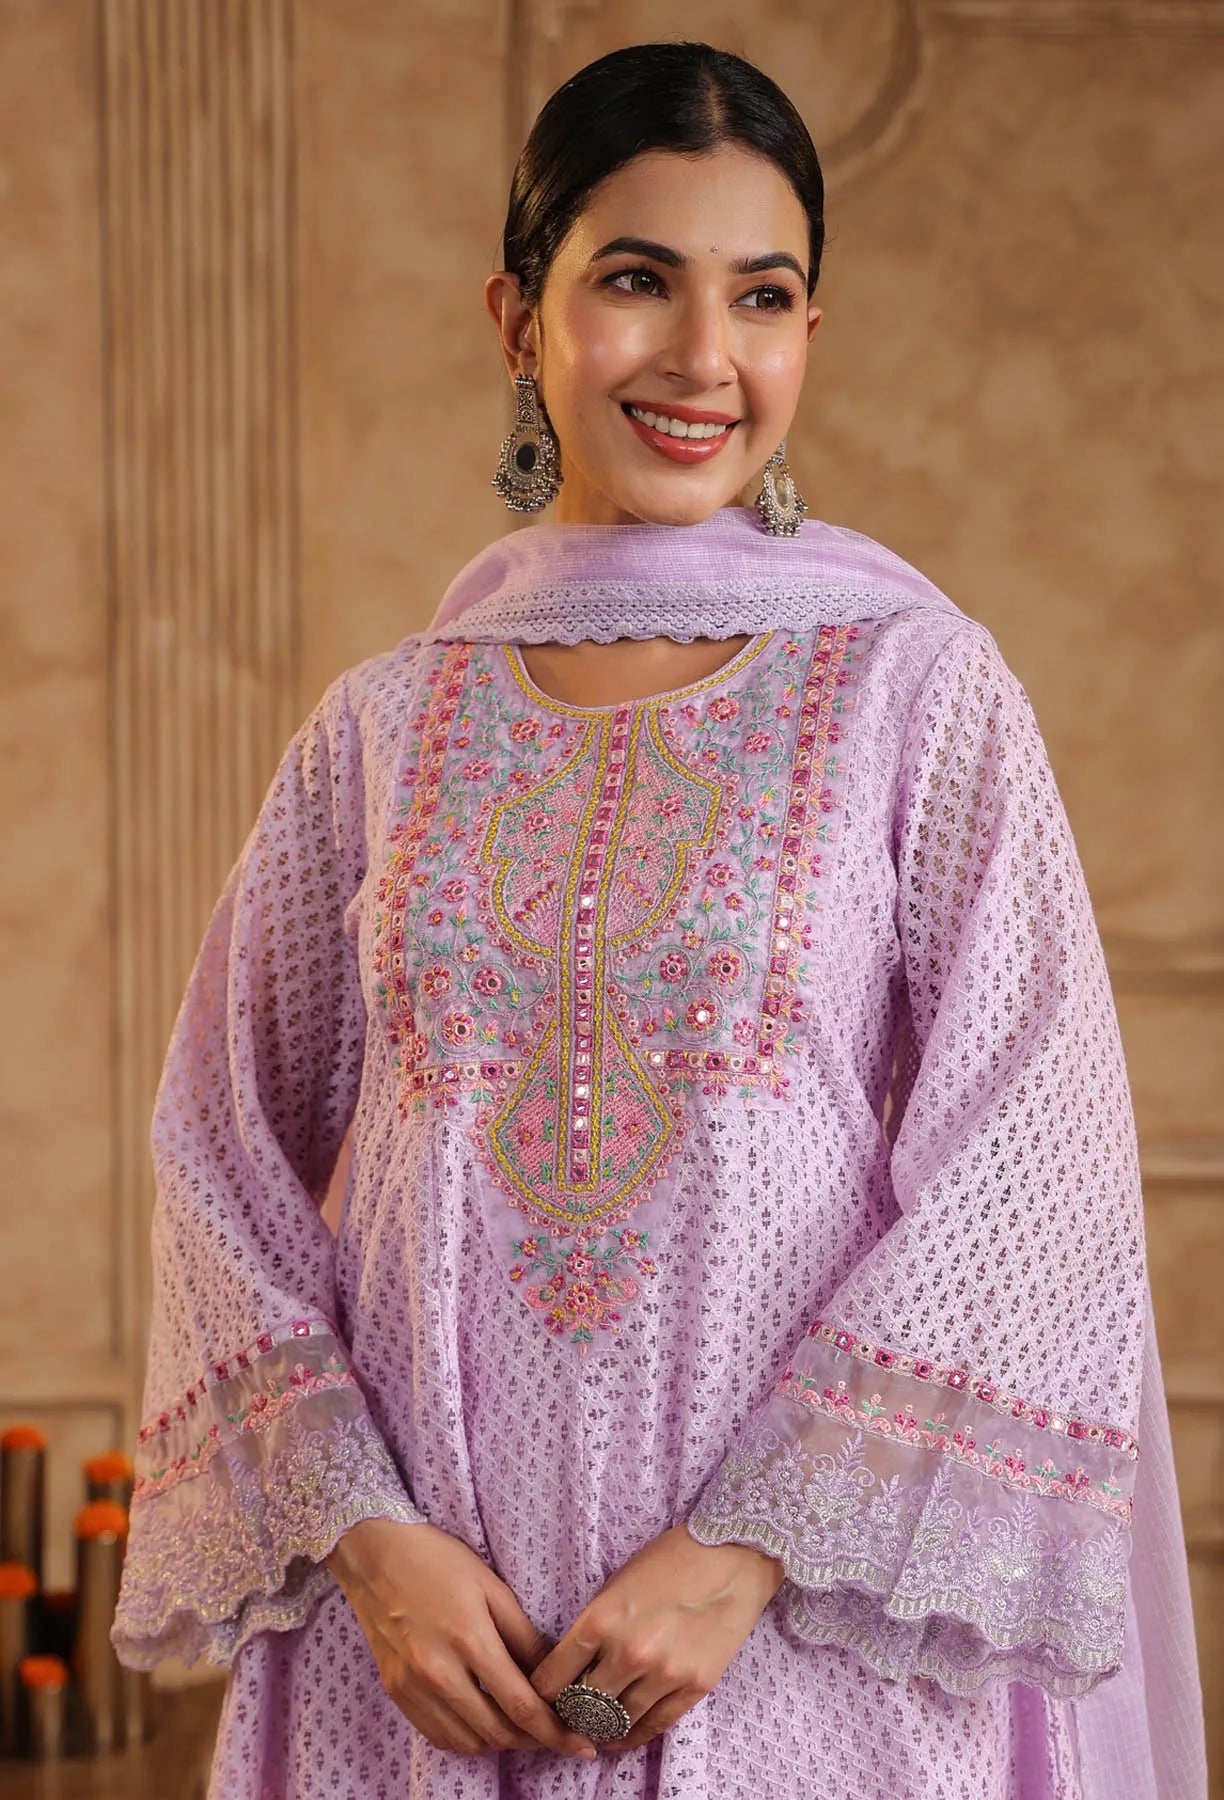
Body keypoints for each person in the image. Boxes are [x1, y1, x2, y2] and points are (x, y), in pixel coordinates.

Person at [111, 40, 1206, 1800]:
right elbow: (217, 1159)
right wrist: (365, 1544)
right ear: (517, 319)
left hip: (796, 1654)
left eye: (760, 297)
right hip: (425, 1682)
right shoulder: (384, 730)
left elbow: (1036, 1159)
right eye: (637, 280)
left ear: (807, 339)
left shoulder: (914, 694)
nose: (705, 360)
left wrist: (747, 1554)